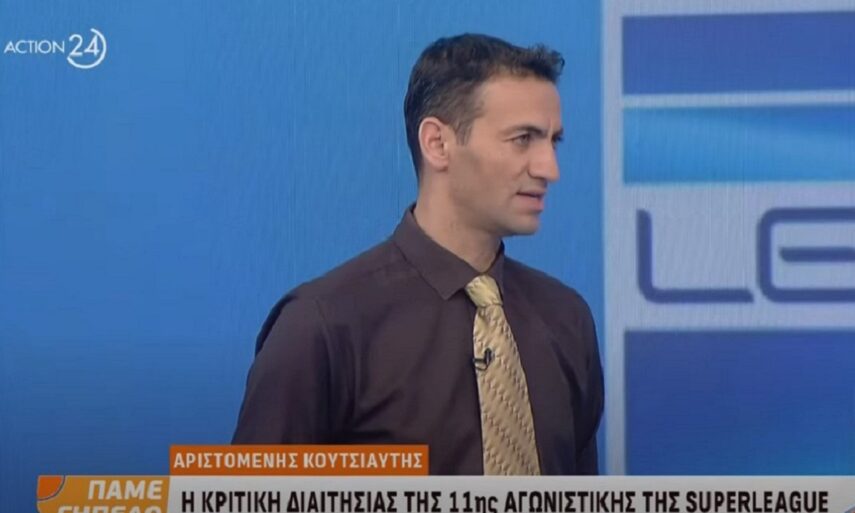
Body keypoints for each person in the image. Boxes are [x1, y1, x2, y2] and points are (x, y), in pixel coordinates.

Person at [232, 33, 604, 475]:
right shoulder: (322, 328)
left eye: (553, 141)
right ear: (437, 144)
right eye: (523, 139)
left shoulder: (566, 320)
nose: (549, 168)